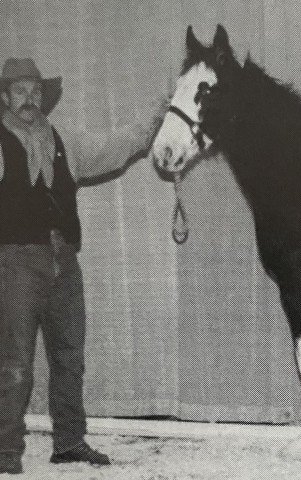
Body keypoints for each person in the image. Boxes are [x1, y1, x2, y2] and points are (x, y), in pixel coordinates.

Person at [0, 58, 165, 474]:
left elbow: (112, 146)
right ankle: (4, 453)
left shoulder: (64, 140)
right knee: (15, 362)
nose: (29, 99)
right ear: (4, 96)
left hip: (65, 262)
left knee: (70, 357)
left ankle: (70, 442)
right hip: (15, 263)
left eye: (36, 91)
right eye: (19, 91)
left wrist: (155, 119)